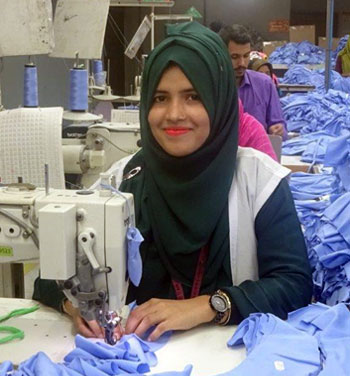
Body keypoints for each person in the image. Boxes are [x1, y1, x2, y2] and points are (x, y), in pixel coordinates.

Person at [33, 22, 312, 341]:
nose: (174, 114)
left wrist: (209, 305)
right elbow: (48, 278)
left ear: (218, 101)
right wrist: (74, 305)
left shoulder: (260, 180)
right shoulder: (121, 181)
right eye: (161, 98)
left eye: (193, 96)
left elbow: (294, 284)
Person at [219, 25, 287, 140]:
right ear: (221, 54)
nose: (242, 63)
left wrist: (279, 130)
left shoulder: (265, 84)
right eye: (234, 57)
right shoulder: (212, 87)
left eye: (246, 56)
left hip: (259, 154)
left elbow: (279, 126)